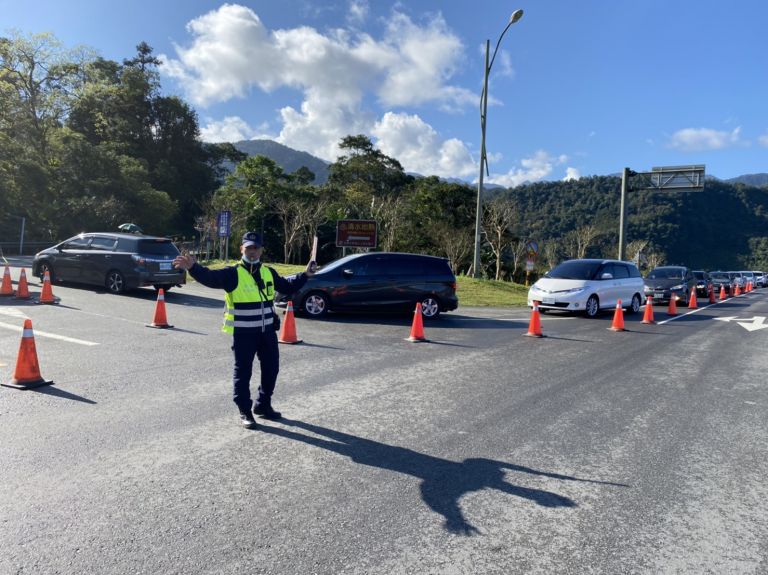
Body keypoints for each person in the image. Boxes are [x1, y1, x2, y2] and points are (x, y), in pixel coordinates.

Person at [173, 231, 315, 429]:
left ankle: (263, 405)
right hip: (244, 333)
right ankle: (245, 411)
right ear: (242, 249)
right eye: (249, 248)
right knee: (243, 373)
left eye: (256, 248)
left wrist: (305, 275)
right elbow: (211, 278)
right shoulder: (233, 273)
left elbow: (286, 285)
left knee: (271, 369)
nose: (253, 251)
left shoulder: (268, 272)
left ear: (261, 250)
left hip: (267, 333)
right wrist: (194, 268)